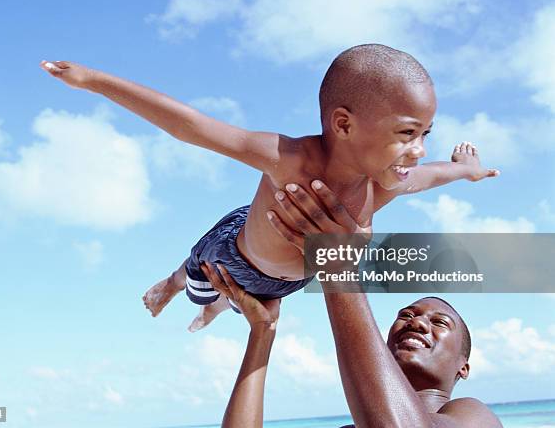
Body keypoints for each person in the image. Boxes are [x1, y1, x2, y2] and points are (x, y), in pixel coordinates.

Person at [40, 44, 499, 331]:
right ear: (343, 124)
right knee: (199, 278)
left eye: (426, 135)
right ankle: (171, 284)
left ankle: (216, 310)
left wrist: (467, 169)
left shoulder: (383, 183)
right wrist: (95, 82)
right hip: (234, 255)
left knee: (234, 307)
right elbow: (191, 127)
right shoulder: (291, 158)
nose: (418, 151)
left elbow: (436, 174)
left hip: (284, 284)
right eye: (406, 133)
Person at [202, 180, 502, 428]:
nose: (417, 322)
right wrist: (262, 332)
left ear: (463, 368)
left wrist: (337, 269)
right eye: (406, 315)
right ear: (381, 348)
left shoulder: (474, 416)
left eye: (439, 322)